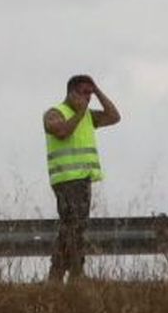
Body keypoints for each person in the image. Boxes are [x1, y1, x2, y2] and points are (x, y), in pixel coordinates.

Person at [43, 75, 121, 282]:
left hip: (83, 181)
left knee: (74, 229)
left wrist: (99, 92)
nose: (88, 98)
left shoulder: (86, 115)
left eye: (90, 94)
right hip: (66, 180)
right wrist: (79, 112)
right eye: (84, 93)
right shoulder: (55, 113)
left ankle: (62, 274)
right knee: (72, 227)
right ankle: (70, 273)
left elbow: (114, 116)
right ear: (71, 93)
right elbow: (62, 132)